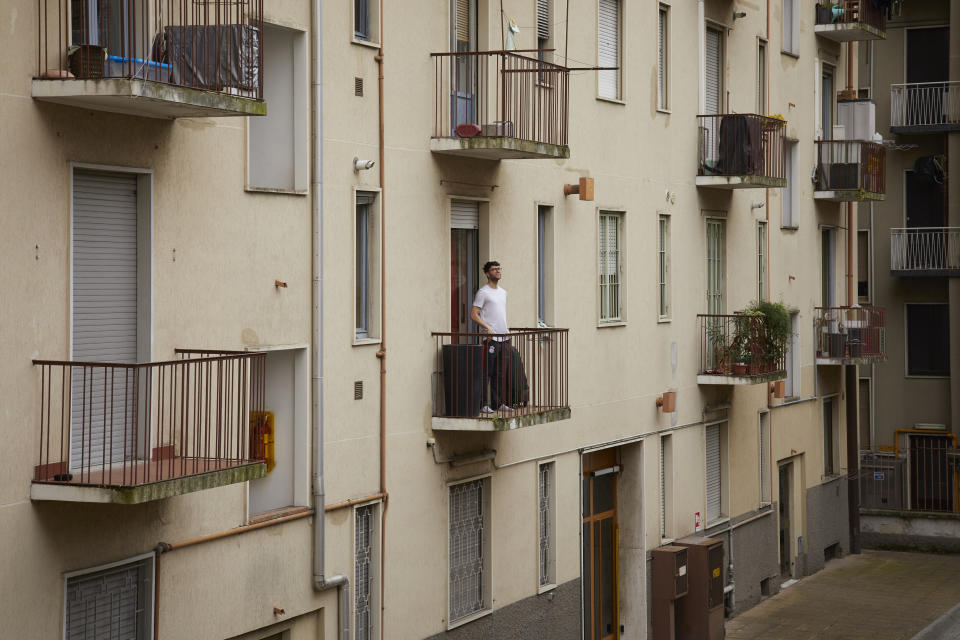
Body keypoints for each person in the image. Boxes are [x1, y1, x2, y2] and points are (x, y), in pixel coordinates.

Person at [470, 261, 511, 414]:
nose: (498, 271)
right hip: (491, 340)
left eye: (499, 268)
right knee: (487, 372)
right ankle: (482, 404)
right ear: (487, 274)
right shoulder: (483, 292)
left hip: (504, 338)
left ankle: (498, 403)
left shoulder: (503, 292)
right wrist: (487, 328)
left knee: (500, 373)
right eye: (494, 269)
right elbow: (473, 314)